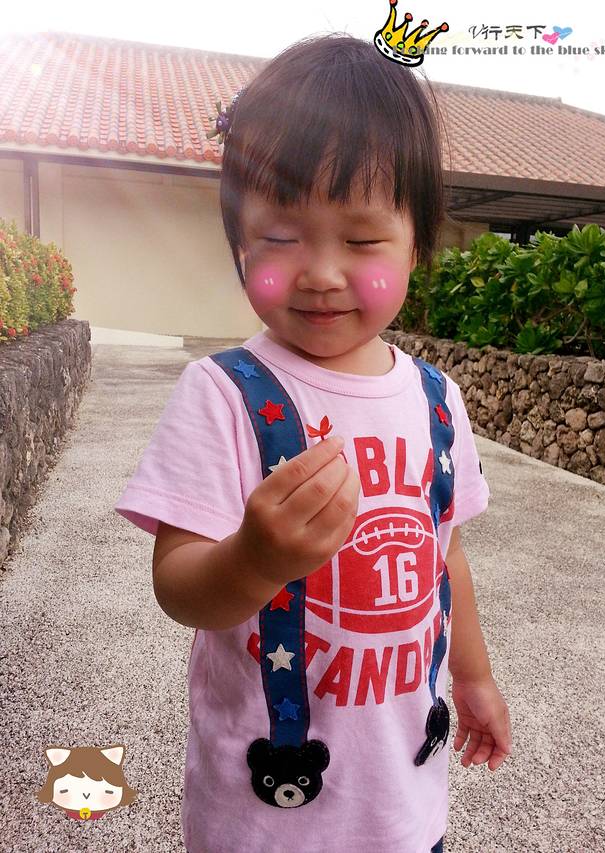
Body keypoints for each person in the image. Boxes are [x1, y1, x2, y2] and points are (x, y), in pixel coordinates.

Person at [114, 33, 512, 853]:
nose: (322, 272)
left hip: (404, 809)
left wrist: (473, 676)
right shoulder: (225, 394)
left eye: (362, 241)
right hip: (266, 819)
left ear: (416, 244)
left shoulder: (436, 401)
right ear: (240, 245)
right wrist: (254, 559)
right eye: (281, 238)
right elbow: (179, 587)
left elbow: (445, 555)